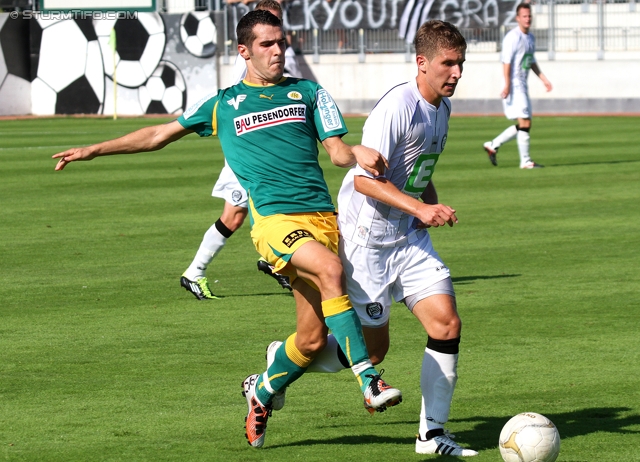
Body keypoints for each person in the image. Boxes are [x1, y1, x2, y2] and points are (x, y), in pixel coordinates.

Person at [52, 9, 402, 450]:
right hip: (275, 222)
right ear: (244, 50)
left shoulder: (309, 92)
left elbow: (334, 151)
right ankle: (369, 382)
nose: (278, 51)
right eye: (266, 44)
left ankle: (263, 391)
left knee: (311, 342)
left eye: (281, 42)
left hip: (322, 220)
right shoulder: (224, 103)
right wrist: (93, 149)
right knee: (330, 271)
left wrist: (356, 151)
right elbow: (158, 135)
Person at [295, 20, 478, 456]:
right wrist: (421, 209)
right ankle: (284, 364)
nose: (455, 72)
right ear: (422, 63)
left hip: (408, 239)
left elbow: (417, 174)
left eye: (460, 63)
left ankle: (431, 434)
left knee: (446, 323)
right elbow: (363, 181)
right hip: (367, 240)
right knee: (373, 353)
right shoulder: (398, 105)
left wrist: (427, 205)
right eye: (447, 63)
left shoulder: (443, 109)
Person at [181, 0, 298, 300]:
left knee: (275, 207)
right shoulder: (250, 59)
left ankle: (276, 262)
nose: (275, 33)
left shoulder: (281, 54)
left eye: (278, 22)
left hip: (271, 150)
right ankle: (194, 272)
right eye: (268, 21)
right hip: (248, 150)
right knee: (234, 216)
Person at [483, 3, 552, 169]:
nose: (528, 19)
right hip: (514, 84)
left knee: (526, 124)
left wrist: (543, 78)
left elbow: (531, 60)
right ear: (518, 18)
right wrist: (507, 85)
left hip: (522, 84)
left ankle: (493, 144)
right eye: (524, 16)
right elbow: (506, 62)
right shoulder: (512, 37)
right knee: (525, 121)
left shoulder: (530, 37)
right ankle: (525, 161)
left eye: (529, 16)